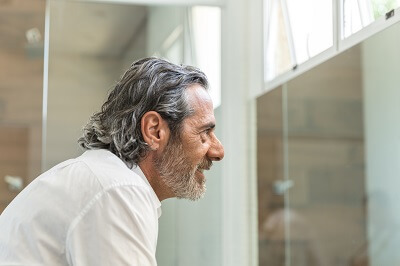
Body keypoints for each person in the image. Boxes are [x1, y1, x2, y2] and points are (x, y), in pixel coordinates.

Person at [0, 57, 224, 265]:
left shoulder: (106, 180)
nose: (218, 151)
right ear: (154, 130)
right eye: (204, 134)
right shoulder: (117, 190)